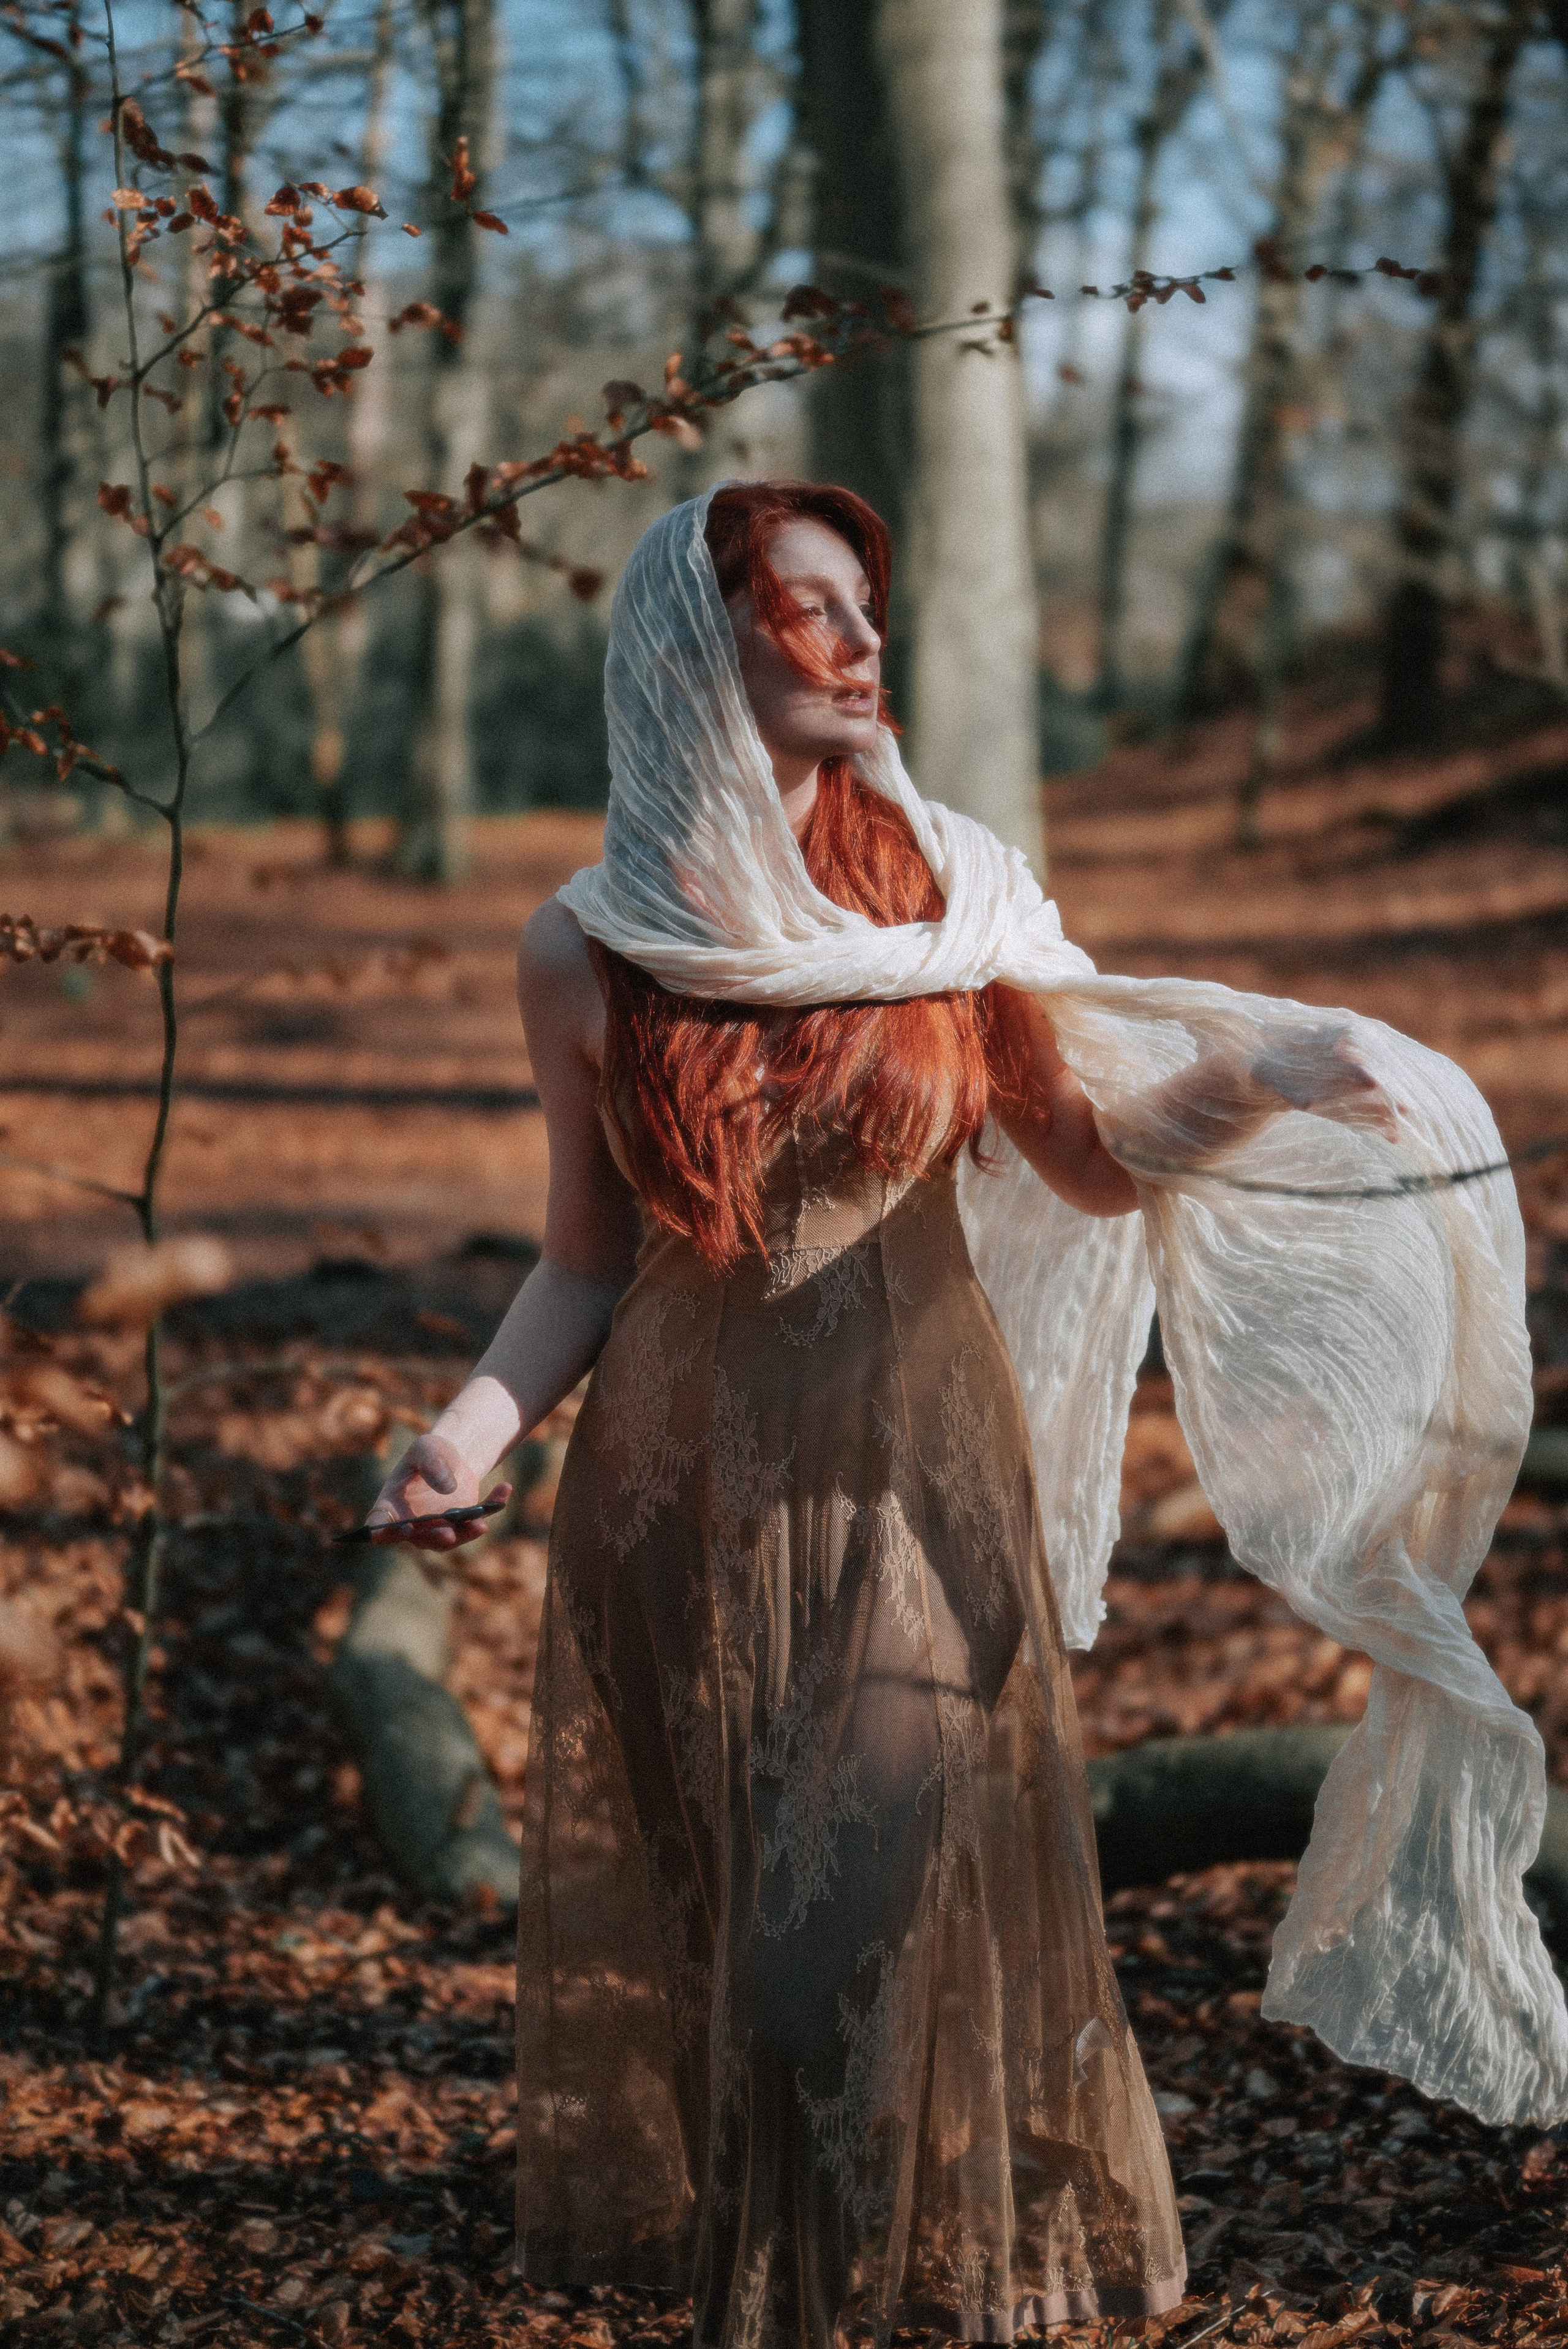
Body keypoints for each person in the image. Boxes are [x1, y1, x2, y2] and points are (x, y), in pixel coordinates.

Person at [369, 482, 1566, 2345]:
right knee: (728, 1985)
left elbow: (1089, 1168)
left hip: (911, 1503)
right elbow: (584, 1262)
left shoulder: (950, 898)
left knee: (808, 1970)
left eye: (869, 608)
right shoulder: (585, 947)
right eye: (813, 612)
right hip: (668, 1512)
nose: (864, 645)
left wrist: (1260, 1078)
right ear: (703, 647)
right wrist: (469, 1437)